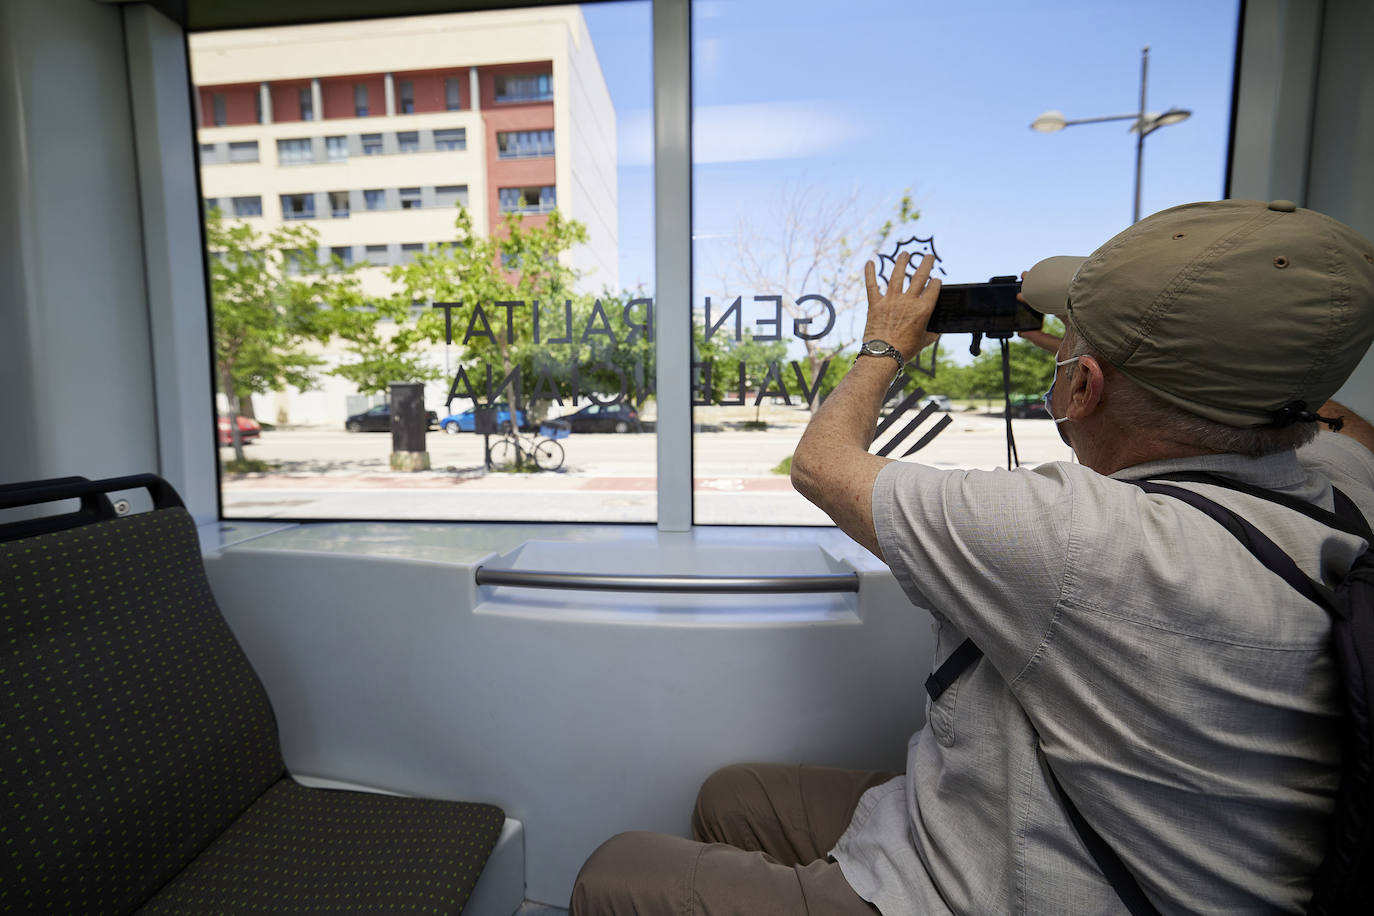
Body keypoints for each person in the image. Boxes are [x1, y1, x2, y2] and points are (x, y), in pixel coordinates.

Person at [570, 199, 1374, 914]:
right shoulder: (1343, 488)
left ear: (1080, 388)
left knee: (611, 872)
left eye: (1073, 358)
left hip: (986, 886)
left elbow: (821, 465)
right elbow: (1337, 418)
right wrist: (1141, 353)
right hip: (1011, 824)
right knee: (733, 797)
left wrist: (885, 343)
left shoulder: (1077, 535)